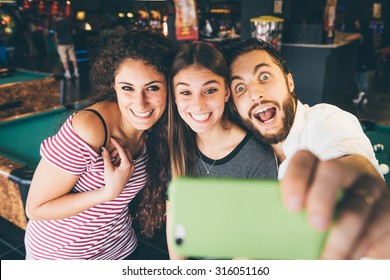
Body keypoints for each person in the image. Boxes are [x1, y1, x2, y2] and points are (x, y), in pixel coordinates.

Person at [219, 38, 390, 259]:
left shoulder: (326, 119)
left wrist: (358, 184)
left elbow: (349, 157)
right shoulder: (247, 151)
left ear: (289, 82)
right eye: (240, 87)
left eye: (264, 76)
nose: (255, 93)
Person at [24, 30, 176, 260]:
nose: (140, 102)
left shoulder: (157, 128)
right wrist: (108, 192)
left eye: (153, 87)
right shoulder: (91, 127)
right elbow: (36, 209)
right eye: (127, 88)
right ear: (113, 87)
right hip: (61, 255)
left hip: (119, 246)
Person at [166, 42, 278, 259]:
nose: (198, 105)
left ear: (226, 91)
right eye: (186, 92)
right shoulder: (180, 147)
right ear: (175, 97)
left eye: (209, 90)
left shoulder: (256, 158)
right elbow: (175, 226)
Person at [346, 18, 376, 105]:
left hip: (364, 60)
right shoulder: (367, 31)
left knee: (361, 78)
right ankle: (362, 96)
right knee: (360, 77)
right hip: (365, 59)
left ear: (361, 23)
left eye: (357, 21)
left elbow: (349, 38)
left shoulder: (363, 32)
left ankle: (363, 96)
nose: (355, 22)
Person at [54, 11, 79, 79]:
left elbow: (56, 35)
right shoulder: (68, 22)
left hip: (62, 43)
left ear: (55, 17)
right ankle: (76, 72)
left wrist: (56, 42)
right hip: (70, 42)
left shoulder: (56, 23)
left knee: (64, 58)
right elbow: (74, 32)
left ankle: (67, 73)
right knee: (73, 58)